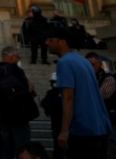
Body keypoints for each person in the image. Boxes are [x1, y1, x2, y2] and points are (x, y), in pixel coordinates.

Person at [45, 26, 112, 158]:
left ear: (62, 42)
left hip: (81, 129)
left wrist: (64, 131)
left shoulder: (64, 62)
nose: (46, 43)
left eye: (50, 40)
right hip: (98, 126)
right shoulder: (83, 61)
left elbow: (68, 97)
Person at [0, 46, 37, 159]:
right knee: (23, 148)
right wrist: (30, 88)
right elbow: (23, 93)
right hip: (18, 116)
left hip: (3, 117)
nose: (18, 59)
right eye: (18, 57)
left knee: (6, 149)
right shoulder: (16, 70)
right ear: (11, 57)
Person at [86, 52, 116, 156]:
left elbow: (101, 96)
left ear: (99, 64)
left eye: (93, 64)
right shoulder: (87, 77)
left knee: (108, 146)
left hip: (107, 118)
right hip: (91, 120)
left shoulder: (108, 78)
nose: (90, 67)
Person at [40, 72, 64, 159]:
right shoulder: (52, 93)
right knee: (58, 145)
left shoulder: (66, 92)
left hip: (65, 122)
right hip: (57, 121)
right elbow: (45, 103)